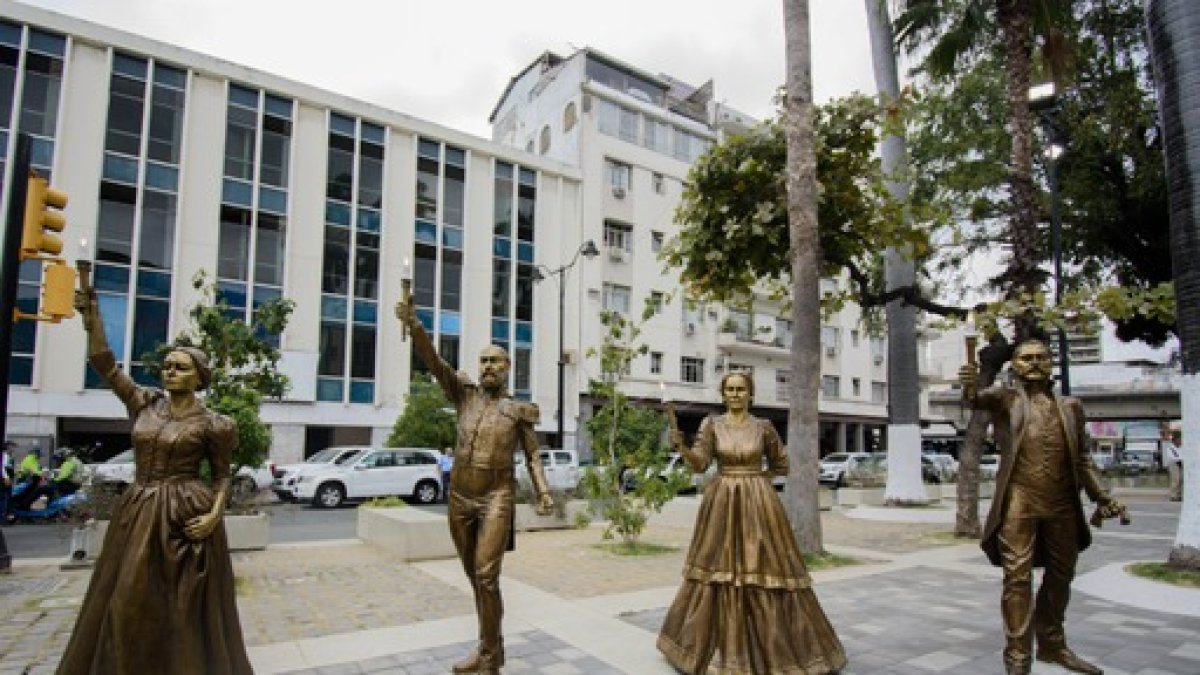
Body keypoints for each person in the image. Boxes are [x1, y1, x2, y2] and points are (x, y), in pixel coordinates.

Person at [56, 286, 253, 675]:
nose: (170, 372)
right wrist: (93, 321)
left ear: (199, 377)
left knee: (181, 606)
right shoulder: (144, 404)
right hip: (139, 511)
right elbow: (105, 364)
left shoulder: (215, 424)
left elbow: (222, 476)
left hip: (186, 514)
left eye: (180, 367)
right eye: (167, 366)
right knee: (125, 600)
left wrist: (214, 516)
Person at [397, 294, 553, 674]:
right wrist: (415, 326)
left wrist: (543, 491)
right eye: (483, 361)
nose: (488, 367)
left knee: (486, 575)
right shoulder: (463, 395)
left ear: (508, 368)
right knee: (477, 579)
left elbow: (533, 454)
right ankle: (491, 650)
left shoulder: (517, 410)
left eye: (495, 361)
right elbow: (435, 362)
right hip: (460, 497)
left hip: (496, 495)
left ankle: (488, 653)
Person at [657, 372, 846, 674]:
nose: (735, 394)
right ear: (723, 394)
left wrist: (757, 484)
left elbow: (781, 464)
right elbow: (701, 464)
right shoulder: (711, 425)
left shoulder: (763, 427)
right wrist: (682, 448)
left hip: (759, 504)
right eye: (730, 389)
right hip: (722, 503)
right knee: (717, 569)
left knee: (766, 567)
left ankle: (783, 653)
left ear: (750, 393)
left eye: (740, 389)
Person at [961, 338, 1126, 675]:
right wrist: (969, 383)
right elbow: (976, 399)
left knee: (1061, 575)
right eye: (1027, 358)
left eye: (1041, 357)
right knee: (1017, 579)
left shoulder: (1071, 407)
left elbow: (1082, 458)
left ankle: (1052, 644)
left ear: (1051, 363)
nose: (1035, 363)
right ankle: (1017, 658)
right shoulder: (1005, 399)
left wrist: (1101, 496)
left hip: (1062, 502)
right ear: (1014, 365)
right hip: (1019, 500)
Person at [1164, 434, 1182, 502]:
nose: (1180, 441)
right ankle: (1173, 495)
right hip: (1173, 464)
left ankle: (1179, 495)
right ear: (1174, 441)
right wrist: (1181, 458)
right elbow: (1172, 457)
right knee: (1176, 480)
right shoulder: (1170, 448)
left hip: (1181, 464)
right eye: (1178, 440)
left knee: (1181, 479)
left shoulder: (1181, 448)